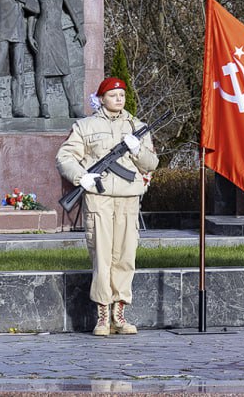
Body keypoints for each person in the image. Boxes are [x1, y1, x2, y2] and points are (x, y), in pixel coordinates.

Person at [56, 76, 159, 337]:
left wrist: (137, 150)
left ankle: (120, 313)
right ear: (101, 98)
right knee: (102, 255)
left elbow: (151, 163)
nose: (119, 99)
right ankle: (102, 315)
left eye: (122, 95)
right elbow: (65, 157)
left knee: (125, 256)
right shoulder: (85, 126)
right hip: (99, 199)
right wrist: (82, 177)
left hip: (128, 198)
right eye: (113, 95)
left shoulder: (138, 126)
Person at [27, 0, 86, 118]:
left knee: (65, 69)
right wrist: (29, 35)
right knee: (41, 70)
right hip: (42, 31)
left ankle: (74, 107)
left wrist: (80, 29)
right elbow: (32, 13)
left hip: (56, 31)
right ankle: (44, 107)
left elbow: (71, 10)